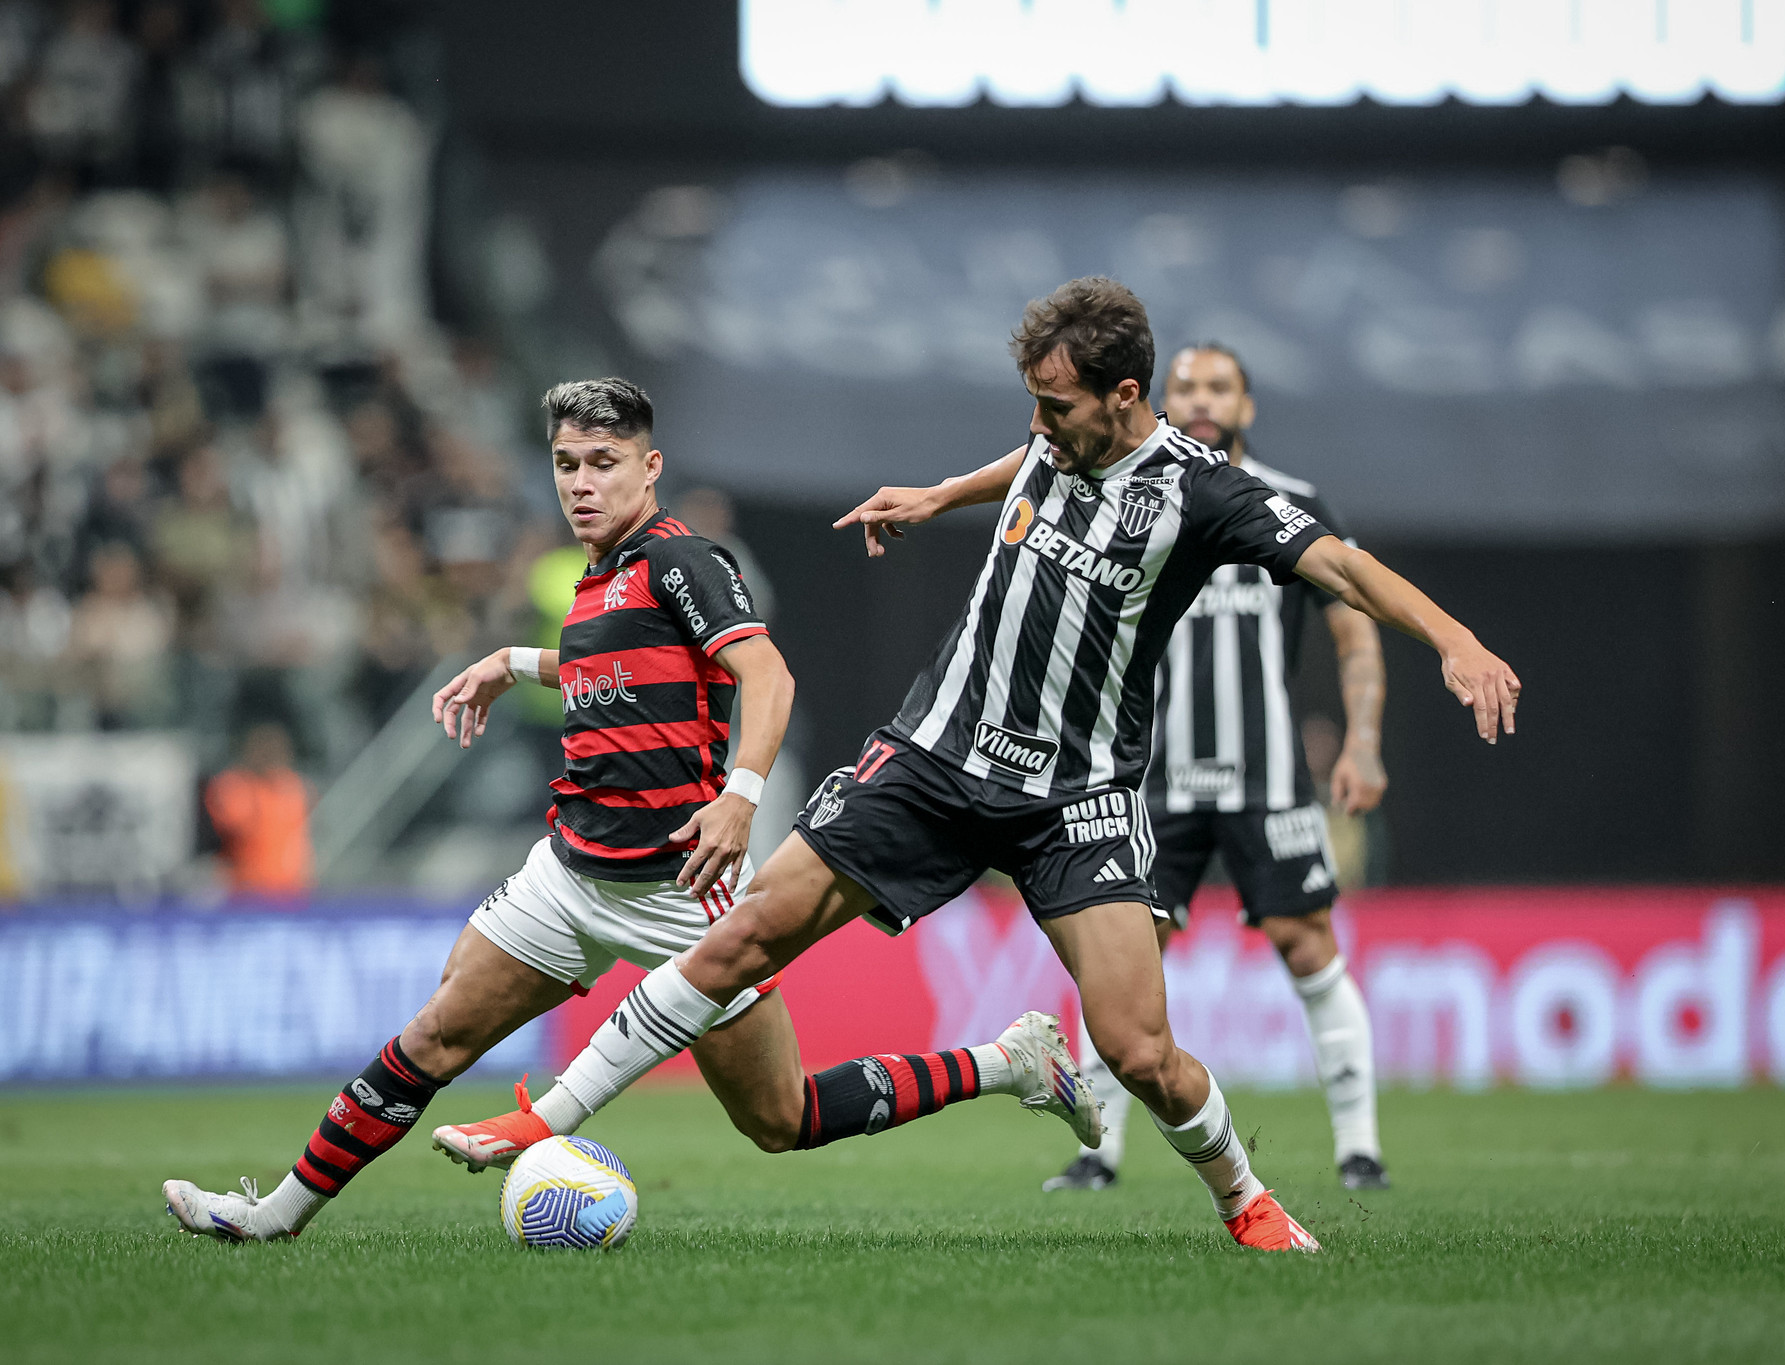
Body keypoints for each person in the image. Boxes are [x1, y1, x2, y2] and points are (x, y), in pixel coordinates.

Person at [455, 278, 1520, 1254]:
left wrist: (1459, 642)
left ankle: (1244, 1197)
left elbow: (1342, 566)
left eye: (1056, 406)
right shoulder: (1054, 440)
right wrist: (934, 496)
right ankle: (546, 1116)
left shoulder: (1201, 495)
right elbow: (1023, 463)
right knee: (741, 938)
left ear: (1125, 396)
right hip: (931, 758)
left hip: (1076, 799)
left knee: (1139, 1052)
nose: (1037, 425)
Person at [162, 378, 1095, 1243]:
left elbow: (764, 675)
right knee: (435, 1033)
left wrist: (739, 795)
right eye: (566, 464)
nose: (580, 482)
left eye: (602, 462)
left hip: (675, 887)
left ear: (648, 467)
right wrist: (513, 664)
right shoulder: (593, 580)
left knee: (783, 1118)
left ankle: (1008, 1058)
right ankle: (275, 1214)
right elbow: (618, 677)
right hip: (568, 872)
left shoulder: (683, 560)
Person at [1044, 342, 1393, 1196]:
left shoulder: (1294, 503)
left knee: (1304, 941)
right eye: (1187, 386)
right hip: (1148, 781)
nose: (1201, 399)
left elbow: (1354, 627)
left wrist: (1362, 740)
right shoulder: (1125, 495)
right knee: (1125, 955)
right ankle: (1098, 1151)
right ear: (1158, 397)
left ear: (1247, 403)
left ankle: (1358, 1149)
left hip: (1267, 778)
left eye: (1219, 387)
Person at [204, 721, 314, 897]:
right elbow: (236, 827)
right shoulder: (233, 784)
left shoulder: (292, 785)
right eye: (264, 748)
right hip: (247, 889)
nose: (271, 755)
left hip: (289, 889)